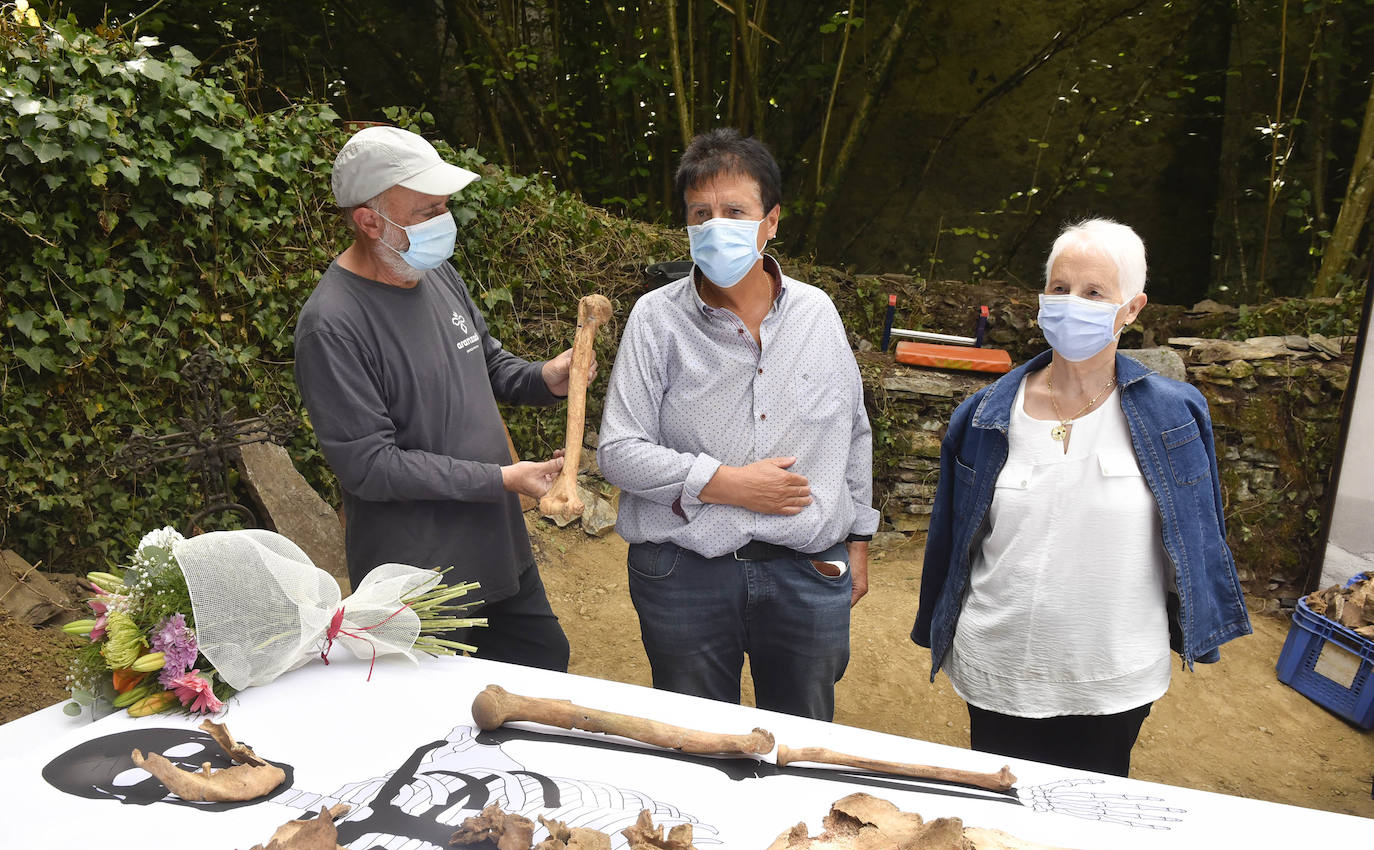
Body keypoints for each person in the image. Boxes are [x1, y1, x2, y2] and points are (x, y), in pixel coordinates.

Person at [911, 218, 1251, 777]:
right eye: (1060, 289)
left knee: (1089, 819)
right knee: (1002, 822)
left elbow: (1197, 531)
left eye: (1095, 293)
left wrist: (1200, 620)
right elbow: (950, 541)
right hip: (999, 666)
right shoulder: (983, 416)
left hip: (1115, 676)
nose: (1073, 304)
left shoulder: (1175, 415)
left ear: (1132, 308)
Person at [597, 128, 879, 721]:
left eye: (735, 211)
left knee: (800, 744)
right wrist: (725, 482)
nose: (715, 226)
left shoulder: (817, 314)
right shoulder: (656, 320)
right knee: (696, 740)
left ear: (770, 220)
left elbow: (852, 432)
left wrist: (859, 539)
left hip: (806, 571)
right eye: (701, 214)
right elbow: (617, 450)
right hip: (686, 574)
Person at [294, 125, 578, 672]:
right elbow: (370, 468)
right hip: (421, 583)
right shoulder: (331, 325)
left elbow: (487, 363)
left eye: (445, 207)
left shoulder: (435, 272)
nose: (443, 223)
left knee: (545, 665)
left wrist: (547, 377)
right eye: (427, 212)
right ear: (369, 220)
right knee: (442, 732)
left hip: (499, 549)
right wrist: (500, 479)